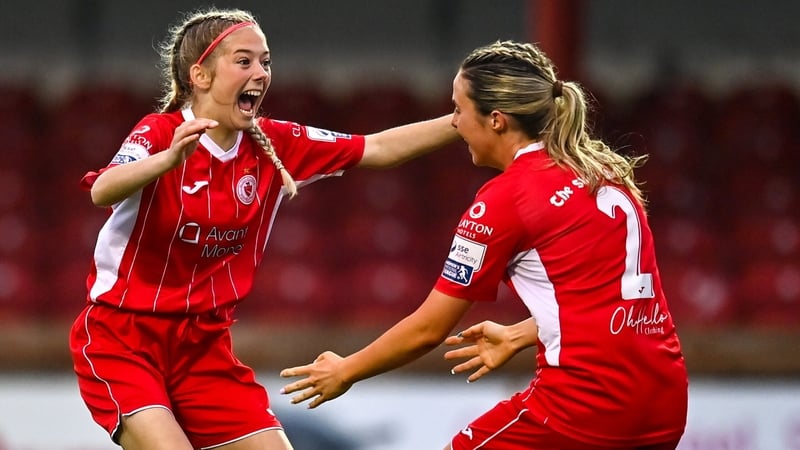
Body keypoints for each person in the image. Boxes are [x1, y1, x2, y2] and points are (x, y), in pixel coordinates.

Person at [68, 7, 459, 450]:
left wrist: (464, 119)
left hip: (203, 346)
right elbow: (102, 189)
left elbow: (378, 148)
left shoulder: (272, 141)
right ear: (201, 75)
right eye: (244, 61)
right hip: (123, 340)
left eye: (265, 61)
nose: (261, 73)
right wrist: (167, 161)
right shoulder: (160, 133)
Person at [280, 40, 689, 449]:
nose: (454, 123)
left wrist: (346, 370)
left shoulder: (505, 199)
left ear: (496, 120)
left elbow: (429, 328)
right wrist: (518, 335)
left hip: (587, 405)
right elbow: (603, 299)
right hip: (664, 401)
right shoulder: (601, 170)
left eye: (459, 109)